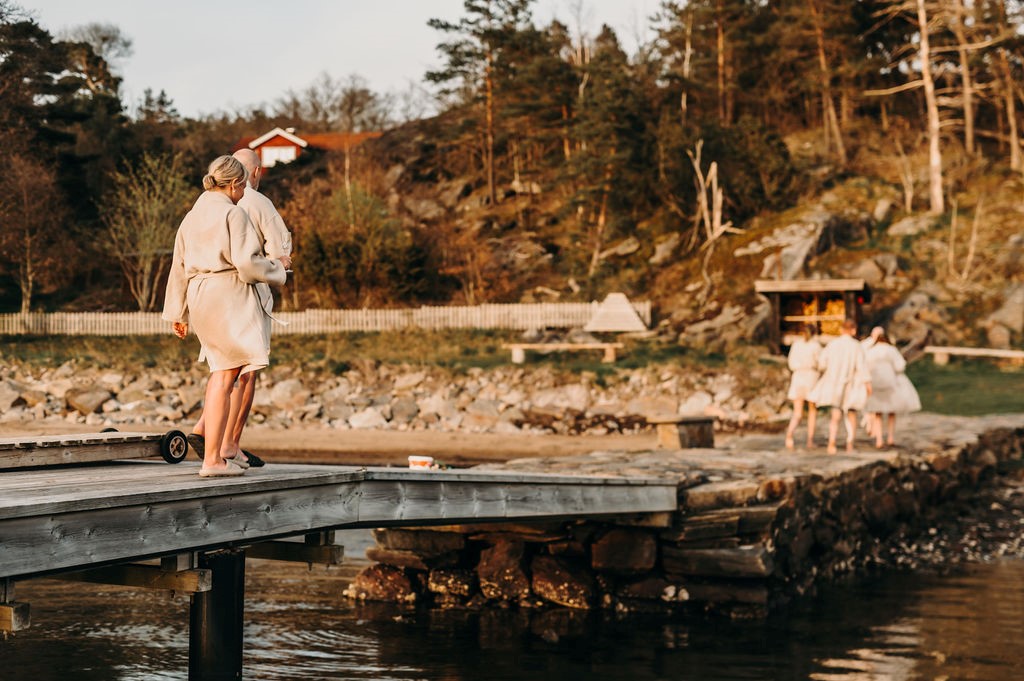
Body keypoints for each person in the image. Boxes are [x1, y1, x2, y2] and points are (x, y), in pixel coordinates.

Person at [162, 155, 291, 477]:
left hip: (199, 296)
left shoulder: (191, 217)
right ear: (233, 184)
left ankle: (215, 456)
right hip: (228, 296)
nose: (244, 190)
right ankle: (215, 459)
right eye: (243, 185)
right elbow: (248, 265)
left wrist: (178, 312)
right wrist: (279, 268)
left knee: (221, 374)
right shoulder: (233, 214)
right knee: (228, 376)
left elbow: (178, 266)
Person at [808, 318, 872, 454]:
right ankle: (850, 444)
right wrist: (867, 383)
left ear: (842, 330)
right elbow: (862, 367)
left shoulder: (833, 344)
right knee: (851, 413)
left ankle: (832, 443)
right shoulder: (856, 346)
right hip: (850, 384)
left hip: (834, 383)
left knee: (835, 414)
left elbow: (822, 363)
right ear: (853, 330)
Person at [864, 331, 921, 448]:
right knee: (891, 413)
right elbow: (900, 366)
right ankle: (890, 437)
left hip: (876, 384)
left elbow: (865, 366)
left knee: (877, 413)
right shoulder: (891, 350)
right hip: (890, 384)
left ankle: (879, 440)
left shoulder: (871, 351)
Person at [784, 324, 821, 450]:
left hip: (798, 377)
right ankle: (810, 440)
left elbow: (791, 363)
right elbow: (820, 363)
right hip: (811, 378)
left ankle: (789, 435)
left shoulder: (796, 344)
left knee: (797, 412)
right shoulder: (815, 346)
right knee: (812, 411)